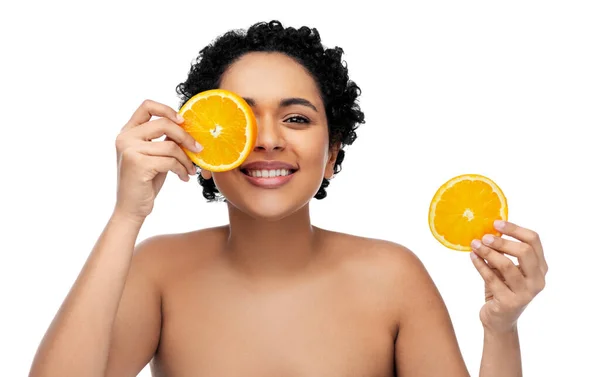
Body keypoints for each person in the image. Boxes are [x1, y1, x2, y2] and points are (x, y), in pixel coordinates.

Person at [29, 20, 548, 377]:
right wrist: (127, 216)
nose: (269, 138)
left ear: (332, 154)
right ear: (206, 146)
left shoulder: (394, 276)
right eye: (243, 119)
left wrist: (501, 329)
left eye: (296, 117)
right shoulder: (160, 270)